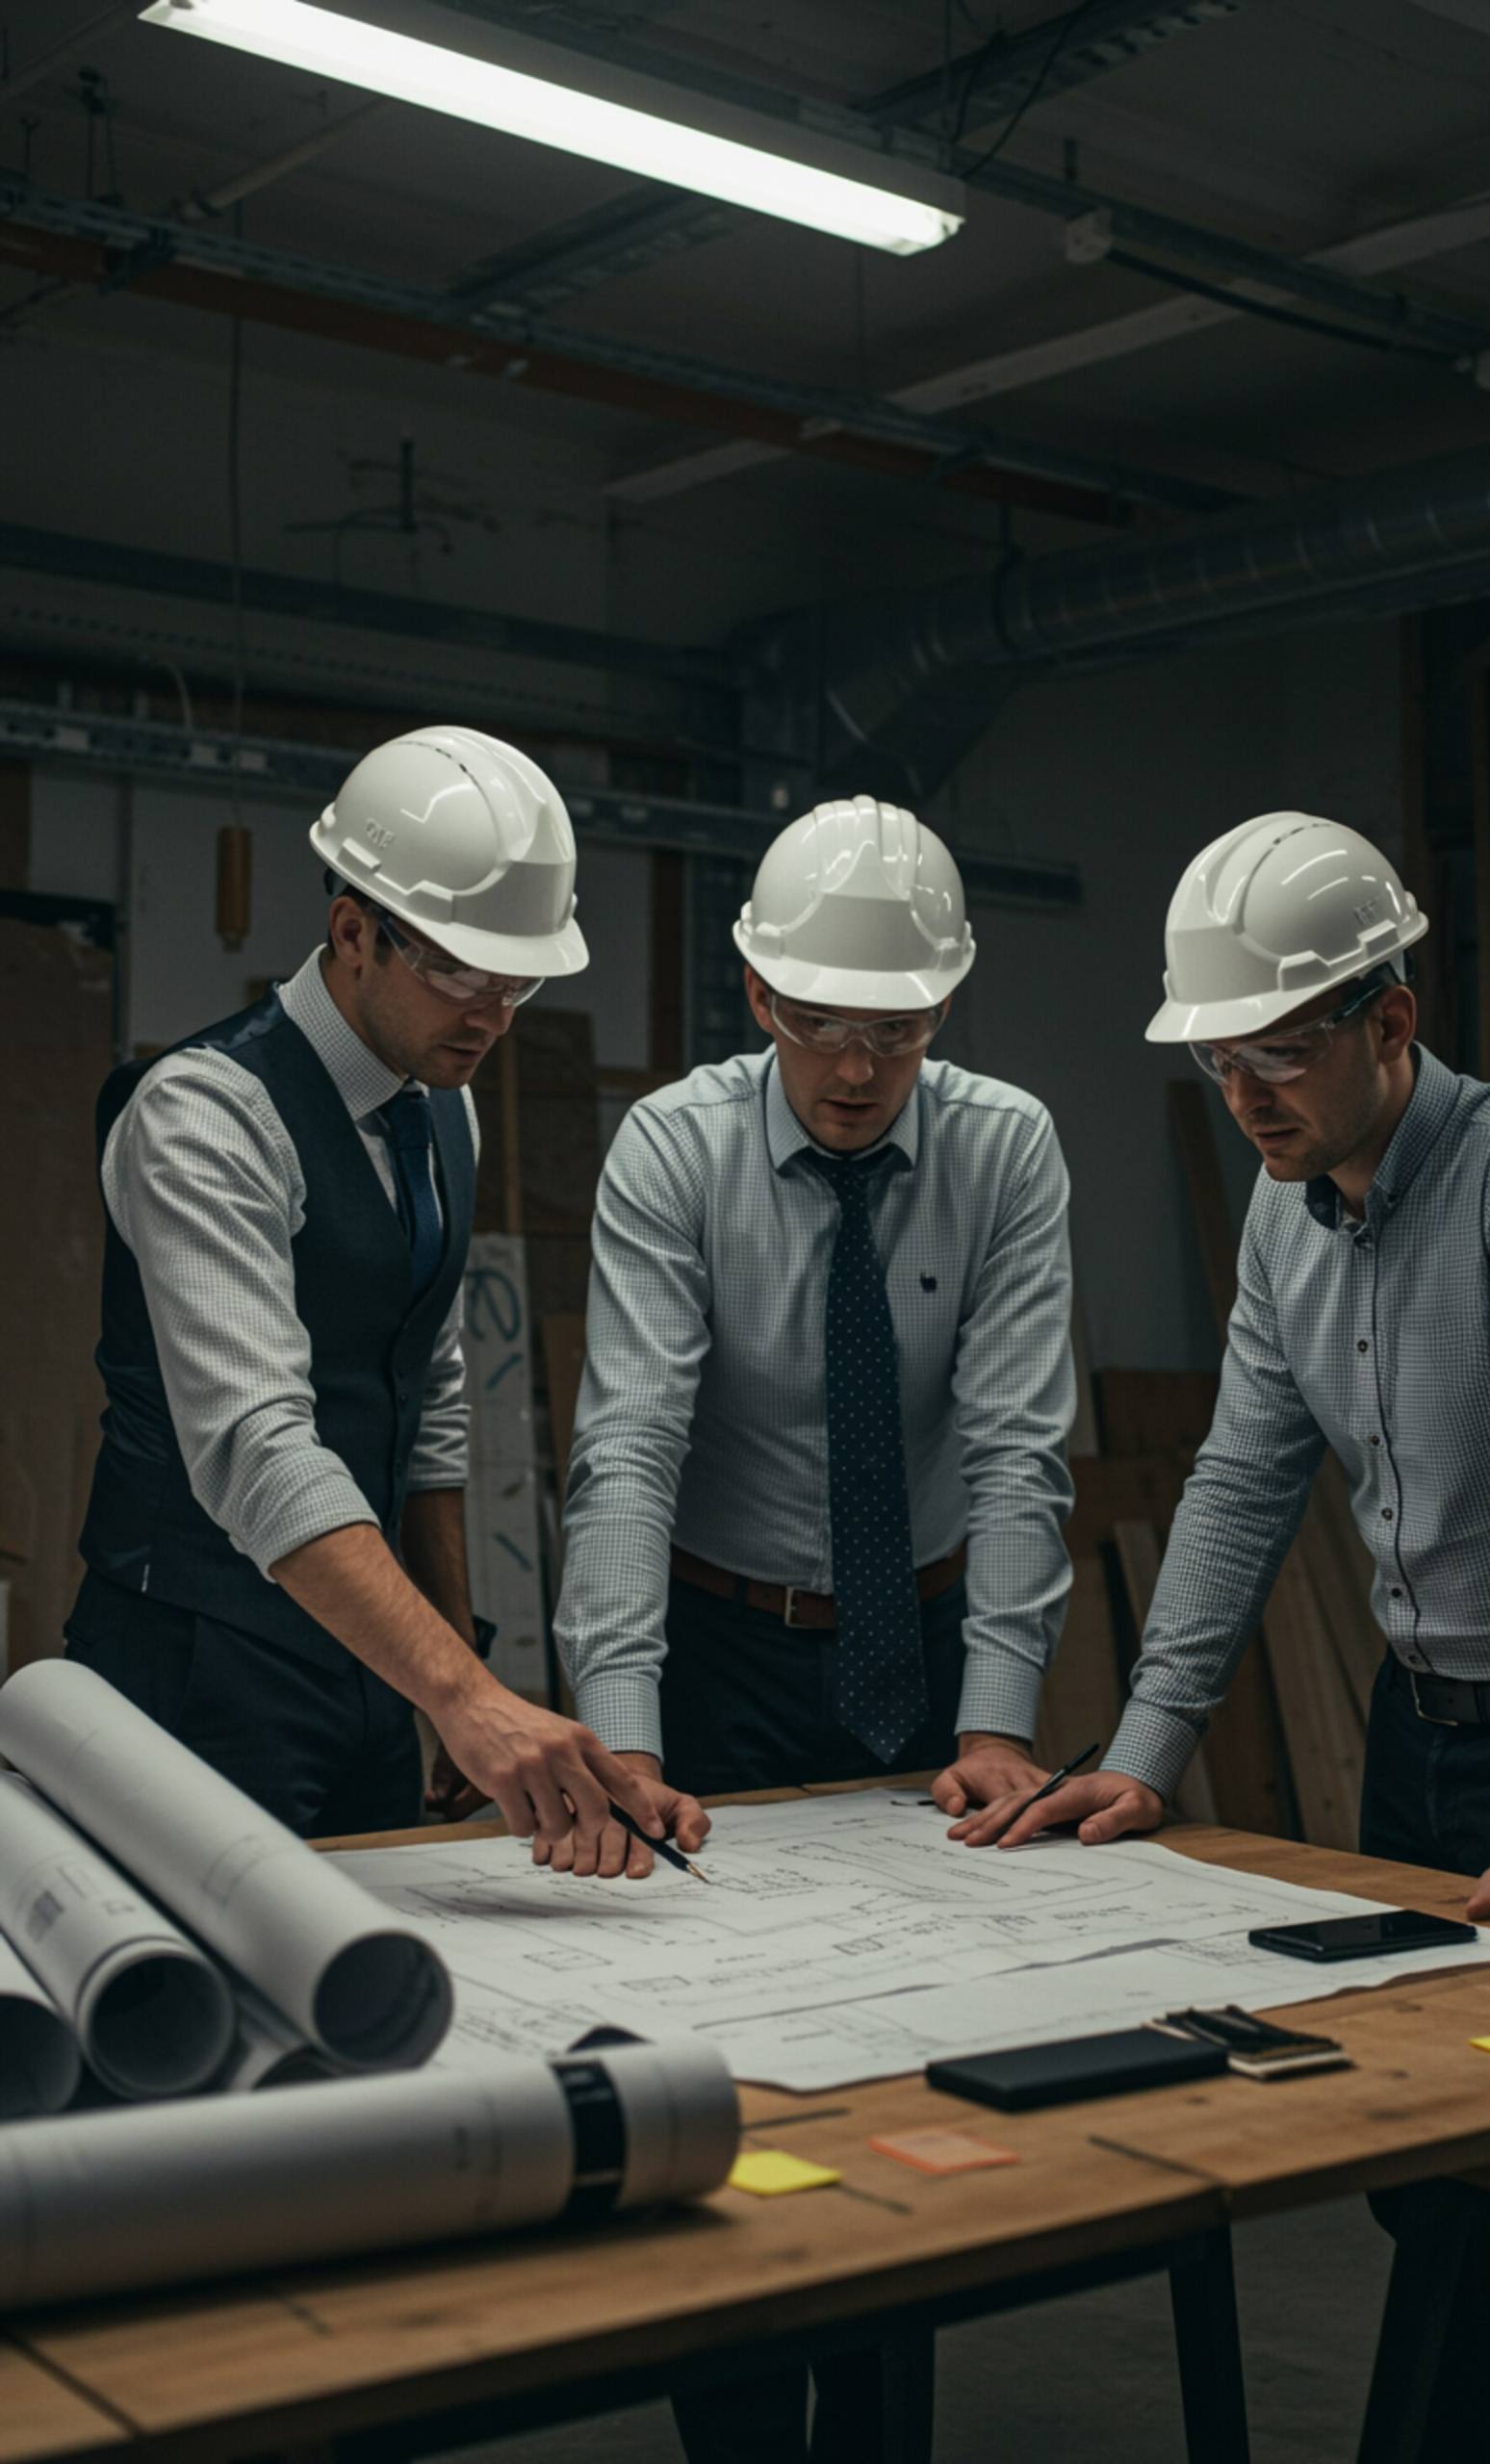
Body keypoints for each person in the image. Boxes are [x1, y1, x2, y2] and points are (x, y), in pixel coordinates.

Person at [956, 809, 1490, 2460]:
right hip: (1421, 1724)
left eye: (1279, 1058)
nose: (1245, 1103)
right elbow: (1237, 1484)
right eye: (1219, 1065)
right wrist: (1145, 1758)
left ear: (1391, 1020)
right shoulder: (1284, 1217)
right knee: (1431, 2184)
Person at [558, 791, 1076, 2460]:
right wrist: (618, 1729)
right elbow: (626, 1440)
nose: (857, 1071)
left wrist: (995, 1715)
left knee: (911, 2060)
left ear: (944, 1009)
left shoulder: (1003, 1148)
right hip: (718, 1651)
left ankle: (876, 2430)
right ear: (755, 995)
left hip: (915, 1652)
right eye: (821, 1027)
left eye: (899, 1030)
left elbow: (1016, 1440)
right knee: (715, 2075)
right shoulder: (673, 1149)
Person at [67, 725, 665, 1875]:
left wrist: (444, 1669)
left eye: (518, 980)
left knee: (381, 1995)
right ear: (353, 931)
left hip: (365, 1657)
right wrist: (468, 1693)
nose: (492, 1013)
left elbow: (425, 1387)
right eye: (458, 971)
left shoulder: (445, 1103)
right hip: (198, 1660)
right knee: (216, 2016)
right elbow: (256, 1446)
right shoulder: (203, 1114)